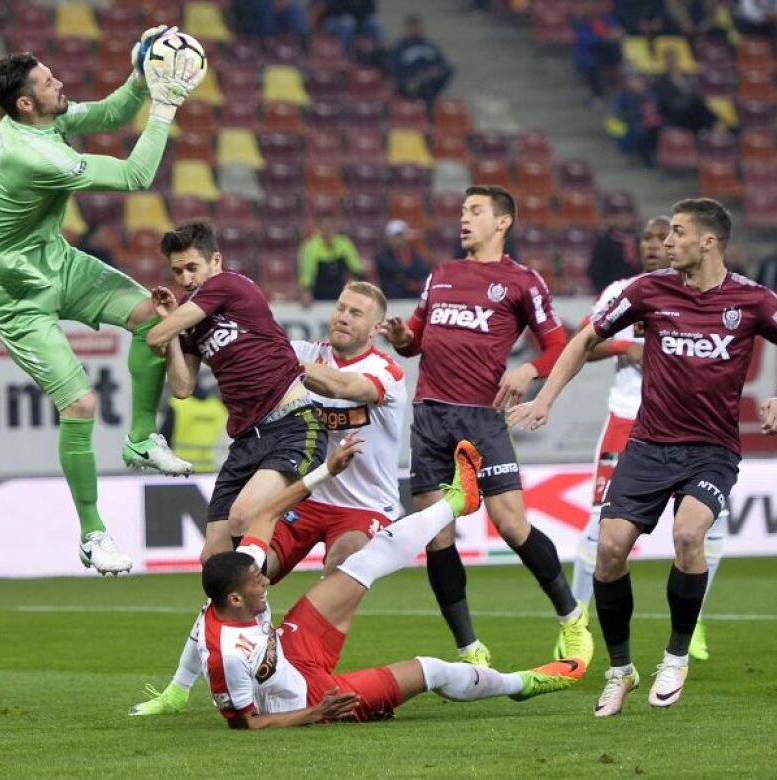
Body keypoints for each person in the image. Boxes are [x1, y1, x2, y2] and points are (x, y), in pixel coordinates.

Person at [509, 197, 777, 716]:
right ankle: (620, 671)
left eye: (678, 233)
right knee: (609, 550)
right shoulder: (647, 291)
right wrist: (545, 398)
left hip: (712, 450)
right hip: (649, 444)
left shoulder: (753, 301)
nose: (666, 242)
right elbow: (584, 339)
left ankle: (676, 655)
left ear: (708, 241)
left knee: (688, 535)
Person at [0, 28, 206, 574]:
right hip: (16, 291)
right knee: (79, 404)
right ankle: (92, 534)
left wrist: (140, 75)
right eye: (49, 82)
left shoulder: (39, 118)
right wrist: (165, 104)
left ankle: (141, 439)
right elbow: (135, 174)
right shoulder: (33, 156)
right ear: (26, 102)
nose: (61, 84)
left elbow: (107, 113)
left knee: (156, 314)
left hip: (55, 259)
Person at [131, 281, 408, 716]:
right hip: (304, 496)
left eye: (356, 313)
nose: (343, 316)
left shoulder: (386, 370)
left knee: (347, 562)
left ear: (374, 328)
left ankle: (311, 677)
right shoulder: (301, 347)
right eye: (340, 307)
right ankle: (180, 686)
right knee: (238, 575)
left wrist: (286, 364)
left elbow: (350, 389)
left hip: (362, 506)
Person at [192, 437, 584, 728]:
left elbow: (266, 514)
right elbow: (243, 724)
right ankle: (525, 683)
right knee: (432, 671)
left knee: (360, 564)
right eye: (256, 582)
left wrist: (327, 469)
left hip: (292, 645)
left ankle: (456, 502)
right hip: (309, 698)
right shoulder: (225, 652)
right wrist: (315, 713)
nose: (266, 581)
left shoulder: (241, 578)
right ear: (235, 599)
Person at [379, 185, 594, 669]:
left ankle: (570, 615)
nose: (464, 218)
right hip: (431, 415)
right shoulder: (441, 274)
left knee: (512, 524)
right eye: (462, 210)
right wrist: (402, 338)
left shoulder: (522, 282)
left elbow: (561, 345)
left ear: (503, 222)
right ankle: (469, 649)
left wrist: (528, 370)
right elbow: (415, 342)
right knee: (437, 535)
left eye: (475, 211)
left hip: (481, 417)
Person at [570, 216, 728, 663]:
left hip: (693, 427)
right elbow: (584, 342)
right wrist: (625, 346)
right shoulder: (624, 291)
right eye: (648, 238)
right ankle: (576, 621)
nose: (657, 245)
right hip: (627, 421)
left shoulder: (703, 294)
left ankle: (692, 618)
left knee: (709, 529)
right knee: (603, 529)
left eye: (666, 237)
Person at [146, 219, 329, 563]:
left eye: (192, 268)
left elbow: (153, 337)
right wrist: (171, 329)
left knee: (243, 517)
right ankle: (232, 616)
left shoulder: (229, 284)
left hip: (292, 425)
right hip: (247, 439)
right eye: (177, 271)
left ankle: (291, 517)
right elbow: (183, 387)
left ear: (216, 261)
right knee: (212, 557)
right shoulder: (192, 320)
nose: (186, 279)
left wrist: (164, 327)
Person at [161, 377, 229, 473]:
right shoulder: (217, 407)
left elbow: (164, 438)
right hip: (210, 469)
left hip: (181, 469)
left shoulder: (177, 405)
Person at [297, 214, 364, 306]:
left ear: (335, 227)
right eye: (324, 227)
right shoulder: (310, 247)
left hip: (342, 295)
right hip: (319, 295)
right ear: (319, 228)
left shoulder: (345, 244)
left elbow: (357, 270)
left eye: (330, 227)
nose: (327, 230)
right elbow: (306, 276)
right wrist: (305, 292)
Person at [389, 15, 454, 109]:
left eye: (419, 27)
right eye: (413, 27)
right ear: (408, 28)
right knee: (421, 88)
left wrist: (434, 71)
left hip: (428, 80)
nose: (417, 30)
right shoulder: (400, 47)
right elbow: (395, 69)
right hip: (409, 83)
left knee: (447, 70)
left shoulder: (430, 45)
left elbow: (442, 64)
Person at [652, 48, 717, 135]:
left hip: (688, 108)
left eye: (673, 59)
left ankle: (709, 128)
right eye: (668, 60)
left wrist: (684, 88)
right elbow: (666, 101)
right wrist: (683, 92)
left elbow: (695, 93)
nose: (671, 62)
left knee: (698, 102)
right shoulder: (661, 80)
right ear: (665, 62)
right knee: (697, 104)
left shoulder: (685, 76)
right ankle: (713, 125)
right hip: (672, 110)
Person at [373, 219, 431, 300]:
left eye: (401, 236)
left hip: (412, 298)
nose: (398, 239)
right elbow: (394, 269)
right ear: (388, 238)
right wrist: (409, 279)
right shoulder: (382, 257)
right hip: (392, 299)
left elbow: (424, 271)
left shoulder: (413, 254)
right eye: (395, 236)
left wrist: (404, 279)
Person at [590, 206, 641, 293]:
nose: (622, 219)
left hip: (636, 290)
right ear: (612, 218)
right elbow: (596, 270)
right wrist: (604, 291)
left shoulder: (639, 240)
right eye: (618, 215)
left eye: (626, 215)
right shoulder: (604, 242)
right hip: (612, 290)